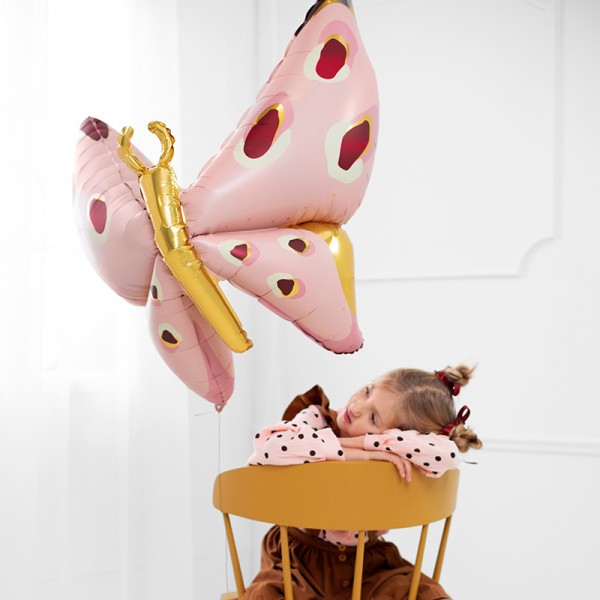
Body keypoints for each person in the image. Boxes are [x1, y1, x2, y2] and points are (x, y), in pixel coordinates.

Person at [243, 365, 482, 600]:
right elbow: (268, 446)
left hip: (368, 565)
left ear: (399, 436)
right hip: (298, 560)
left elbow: (448, 455)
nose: (357, 407)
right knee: (267, 593)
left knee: (422, 592)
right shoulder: (316, 418)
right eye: (368, 391)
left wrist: (375, 443)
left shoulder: (398, 448)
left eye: (373, 417)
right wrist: (356, 450)